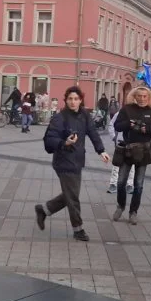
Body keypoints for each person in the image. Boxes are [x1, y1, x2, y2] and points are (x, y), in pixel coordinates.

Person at [35, 86, 110, 242]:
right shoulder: (60, 118)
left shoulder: (84, 115)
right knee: (73, 197)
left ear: (80, 100)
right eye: (70, 99)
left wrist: (101, 150)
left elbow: (93, 133)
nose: (73, 102)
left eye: (76, 99)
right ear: (66, 100)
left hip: (77, 160)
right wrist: (65, 143)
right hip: (63, 161)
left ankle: (44, 210)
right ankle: (78, 229)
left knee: (70, 194)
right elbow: (49, 139)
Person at [113, 87, 151, 225]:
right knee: (120, 182)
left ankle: (133, 212)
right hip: (127, 149)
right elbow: (117, 126)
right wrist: (128, 124)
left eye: (144, 96)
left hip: (143, 151)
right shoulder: (127, 109)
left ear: (148, 98)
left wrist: (147, 129)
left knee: (139, 184)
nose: (142, 99)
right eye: (139, 96)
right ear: (134, 97)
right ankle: (120, 206)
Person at [106, 111, 135, 195]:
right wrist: (113, 137)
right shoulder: (120, 113)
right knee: (117, 163)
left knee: (132, 165)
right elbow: (111, 124)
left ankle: (129, 185)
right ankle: (113, 184)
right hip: (120, 142)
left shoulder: (138, 113)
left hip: (133, 143)